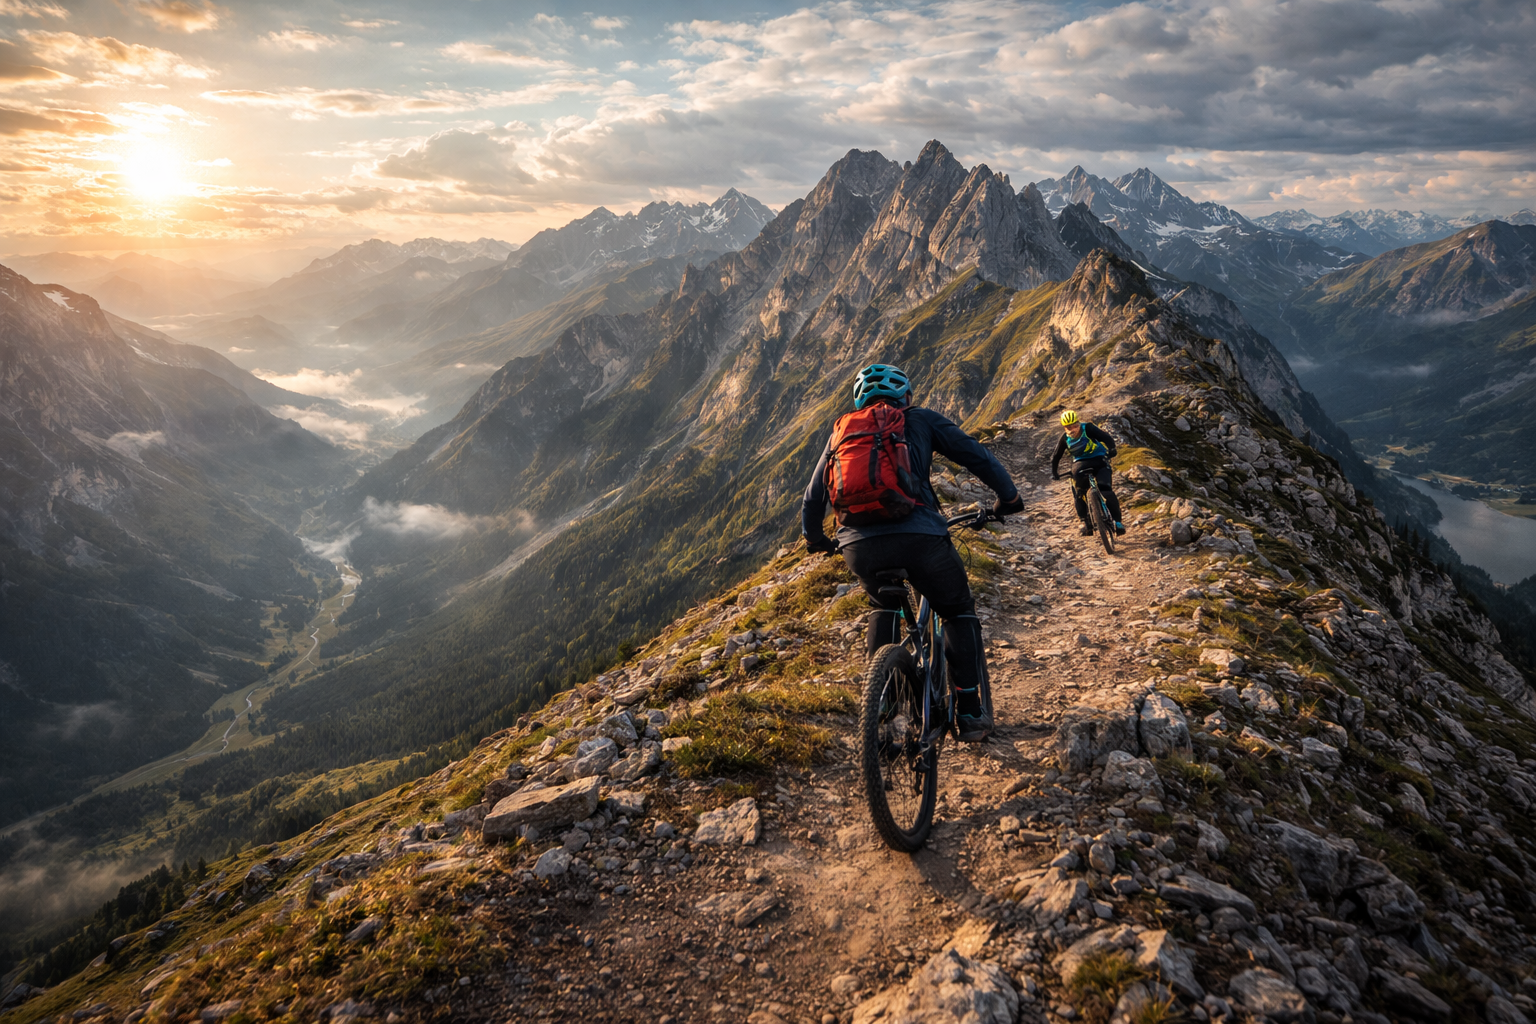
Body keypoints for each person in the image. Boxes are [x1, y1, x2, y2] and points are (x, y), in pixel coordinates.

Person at [801, 363, 1024, 742]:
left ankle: (883, 704)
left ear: (859, 400)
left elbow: (812, 498)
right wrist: (1009, 499)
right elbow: (977, 457)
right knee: (956, 610)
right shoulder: (919, 418)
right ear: (905, 395)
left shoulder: (842, 431)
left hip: (858, 545)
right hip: (920, 537)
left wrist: (816, 540)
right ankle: (969, 711)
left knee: (882, 605)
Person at [1051, 409, 1125, 536]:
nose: (1073, 428)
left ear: (1078, 422)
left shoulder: (1088, 428)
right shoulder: (1066, 438)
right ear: (1064, 427)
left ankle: (1116, 522)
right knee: (1082, 492)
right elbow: (1056, 457)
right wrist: (1111, 449)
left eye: (1075, 425)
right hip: (1089, 463)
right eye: (1069, 427)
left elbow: (1106, 438)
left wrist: (1055, 473)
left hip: (1097, 461)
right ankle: (1088, 523)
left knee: (1103, 489)